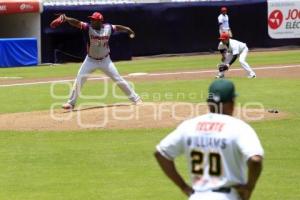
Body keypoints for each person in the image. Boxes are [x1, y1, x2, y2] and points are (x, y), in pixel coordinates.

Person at [154, 79, 264, 200]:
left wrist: (184, 187)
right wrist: (249, 187)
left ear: (208, 102)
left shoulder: (189, 126)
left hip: (197, 196)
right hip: (227, 196)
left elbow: (161, 153)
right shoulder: (239, 127)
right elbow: (255, 159)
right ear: (232, 103)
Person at [51, 12, 141, 110]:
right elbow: (76, 23)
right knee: (79, 79)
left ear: (100, 22)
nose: (91, 21)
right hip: (90, 60)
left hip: (105, 60)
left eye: (94, 20)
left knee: (118, 79)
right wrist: (67, 19)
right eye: (92, 19)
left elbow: (117, 27)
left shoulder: (108, 28)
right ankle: (71, 103)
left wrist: (128, 29)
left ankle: (136, 99)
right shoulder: (88, 28)